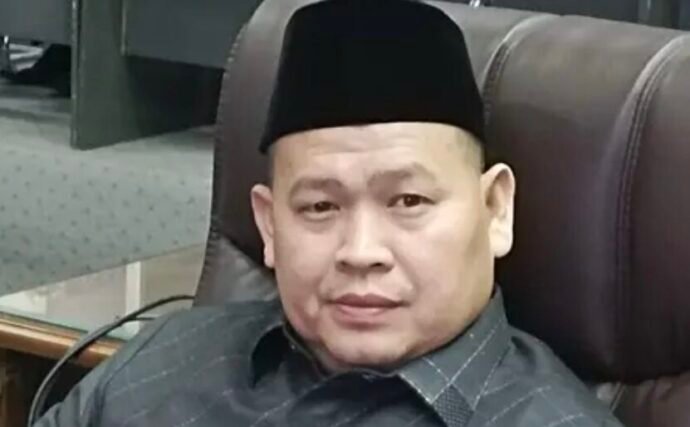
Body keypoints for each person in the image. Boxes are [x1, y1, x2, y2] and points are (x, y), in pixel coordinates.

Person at [35, 0, 624, 426]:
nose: (361, 251)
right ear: (269, 225)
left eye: (409, 202)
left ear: (495, 210)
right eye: (320, 206)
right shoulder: (162, 361)